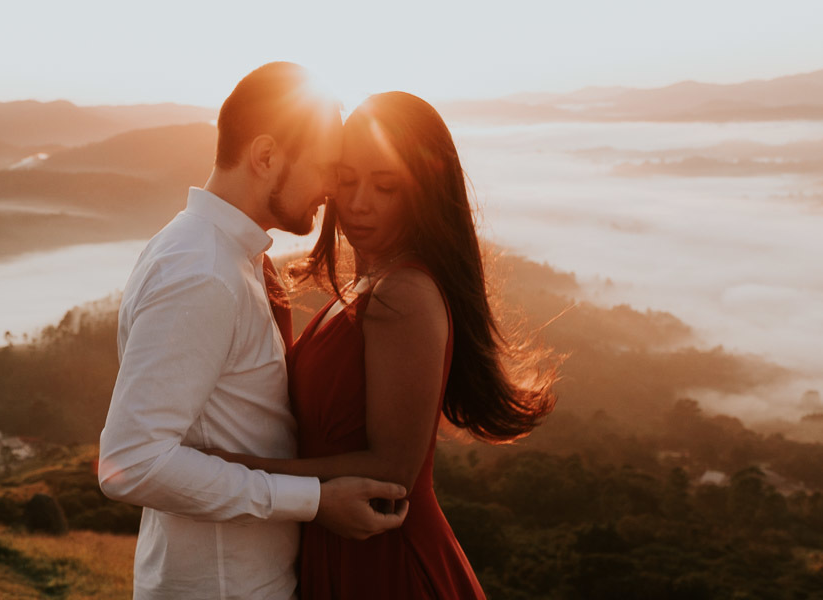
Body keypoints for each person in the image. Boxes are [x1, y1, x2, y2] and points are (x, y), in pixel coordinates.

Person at [203, 91, 558, 599]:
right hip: (337, 545)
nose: (357, 202)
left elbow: (393, 470)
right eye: (345, 180)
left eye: (385, 186)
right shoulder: (365, 288)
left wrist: (235, 469)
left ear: (422, 192)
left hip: (385, 563)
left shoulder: (404, 294)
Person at [97, 63, 408, 600]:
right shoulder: (203, 272)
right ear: (266, 157)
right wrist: (312, 501)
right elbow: (131, 463)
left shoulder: (212, 254)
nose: (334, 190)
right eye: (327, 168)